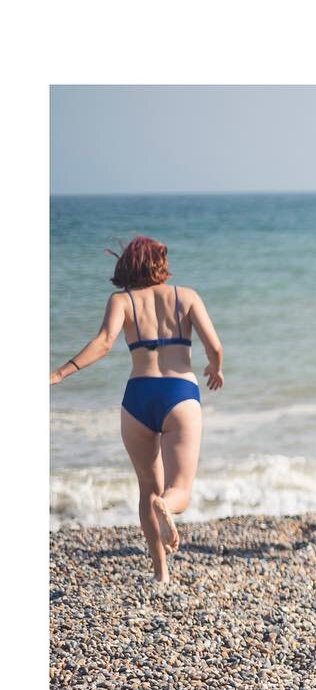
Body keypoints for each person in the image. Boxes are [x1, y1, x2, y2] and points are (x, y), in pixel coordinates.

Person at [50, 236, 224, 583]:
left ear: (127, 264)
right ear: (160, 262)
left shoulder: (121, 301)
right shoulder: (186, 296)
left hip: (138, 397)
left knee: (147, 488)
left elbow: (102, 344)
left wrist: (59, 372)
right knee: (180, 491)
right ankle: (168, 506)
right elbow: (214, 346)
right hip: (179, 392)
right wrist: (215, 368)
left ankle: (161, 573)